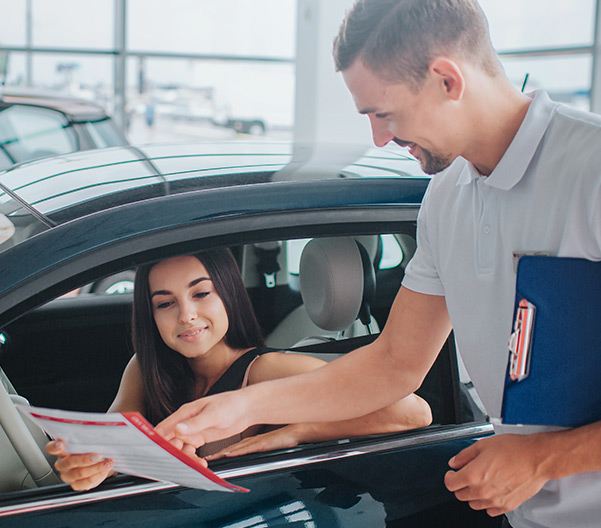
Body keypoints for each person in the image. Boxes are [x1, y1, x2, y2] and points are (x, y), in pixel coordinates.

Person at [154, 2, 601, 527]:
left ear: (446, 80)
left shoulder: (589, 172)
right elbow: (393, 364)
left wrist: (544, 457)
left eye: (383, 114)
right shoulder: (445, 198)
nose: (379, 139)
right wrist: (242, 408)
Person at [46, 247, 431, 491]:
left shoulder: (265, 369)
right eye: (165, 303)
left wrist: (300, 431)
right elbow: (115, 440)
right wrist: (91, 465)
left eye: (201, 293)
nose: (187, 315)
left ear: (228, 293)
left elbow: (412, 413)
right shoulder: (146, 368)